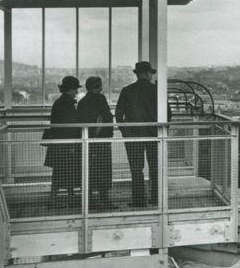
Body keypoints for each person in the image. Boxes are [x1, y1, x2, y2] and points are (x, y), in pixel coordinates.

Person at [116, 61, 165, 207]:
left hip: (133, 135)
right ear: (146, 73)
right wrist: (161, 129)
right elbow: (167, 113)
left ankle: (139, 200)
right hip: (155, 134)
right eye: (150, 73)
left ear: (138, 74)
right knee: (155, 167)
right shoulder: (156, 90)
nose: (151, 75)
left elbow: (119, 114)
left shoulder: (127, 90)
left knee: (136, 168)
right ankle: (156, 198)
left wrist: (125, 131)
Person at [76, 76, 115, 210]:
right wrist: (109, 134)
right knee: (104, 171)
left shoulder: (82, 102)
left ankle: (89, 200)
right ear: (96, 87)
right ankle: (105, 200)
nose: (101, 88)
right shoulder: (100, 99)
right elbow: (108, 117)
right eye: (100, 86)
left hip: (88, 141)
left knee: (89, 171)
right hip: (102, 141)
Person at [44, 75, 81, 207]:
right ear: (70, 89)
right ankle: (68, 198)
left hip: (59, 144)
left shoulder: (59, 102)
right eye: (75, 89)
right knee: (69, 171)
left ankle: (54, 199)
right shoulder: (69, 103)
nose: (76, 92)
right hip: (67, 144)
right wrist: (72, 144)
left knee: (59, 172)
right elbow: (70, 126)